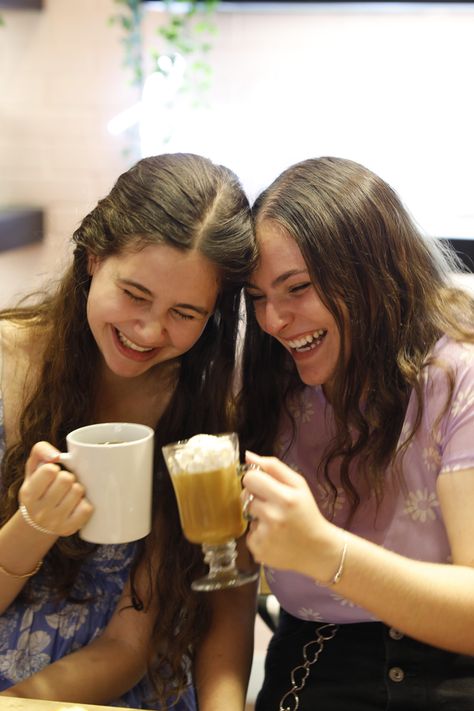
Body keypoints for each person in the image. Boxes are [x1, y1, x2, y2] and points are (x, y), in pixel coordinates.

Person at [0, 152, 257, 710]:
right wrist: (31, 526)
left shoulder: (205, 413)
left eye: (184, 313)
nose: (147, 331)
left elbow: (132, 644)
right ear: (93, 257)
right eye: (135, 295)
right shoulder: (6, 363)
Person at [239, 156, 474, 710]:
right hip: (313, 669)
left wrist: (322, 549)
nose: (273, 320)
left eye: (296, 288)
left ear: (371, 272)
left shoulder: (455, 377)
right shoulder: (269, 387)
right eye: (257, 299)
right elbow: (227, 584)